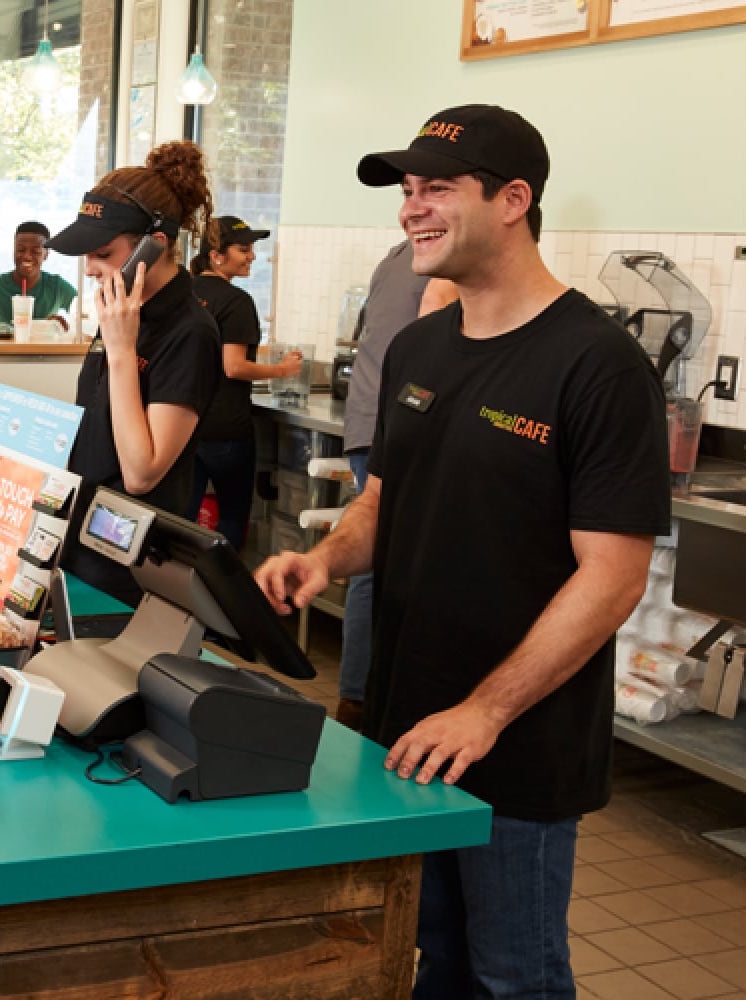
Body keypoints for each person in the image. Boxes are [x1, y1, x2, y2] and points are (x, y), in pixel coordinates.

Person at [253, 105, 670, 997]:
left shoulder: (595, 365)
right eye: (407, 192)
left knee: (514, 976)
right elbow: (383, 502)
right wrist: (324, 562)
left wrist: (484, 712)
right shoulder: (418, 345)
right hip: (410, 731)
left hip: (514, 748)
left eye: (437, 188)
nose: (412, 209)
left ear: (514, 199)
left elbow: (615, 575)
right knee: (432, 958)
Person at [45, 141, 222, 604]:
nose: (89, 270)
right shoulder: (122, 312)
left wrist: (122, 352)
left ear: (153, 246)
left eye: (102, 253)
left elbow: (142, 472)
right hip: (78, 540)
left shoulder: (190, 333)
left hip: (130, 561)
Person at [335, 241, 457, 730]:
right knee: (383, 560)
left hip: (368, 418)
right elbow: (438, 350)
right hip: (395, 425)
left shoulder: (394, 257)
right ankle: (362, 698)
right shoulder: (443, 269)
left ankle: (358, 697)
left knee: (377, 556)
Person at [186, 216, 303, 553]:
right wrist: (282, 370)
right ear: (216, 256)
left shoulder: (183, 293)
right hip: (225, 430)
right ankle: (222, 597)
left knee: (180, 516)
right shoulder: (236, 301)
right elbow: (234, 367)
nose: (251, 256)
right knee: (233, 518)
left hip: (182, 424)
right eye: (243, 249)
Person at [0, 221, 77, 334]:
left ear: (46, 254)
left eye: (35, 251)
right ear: (13, 250)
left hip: (44, 356)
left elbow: (88, 316)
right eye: (21, 250)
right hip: (1, 355)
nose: (27, 257)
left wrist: (66, 323)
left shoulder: (57, 287)